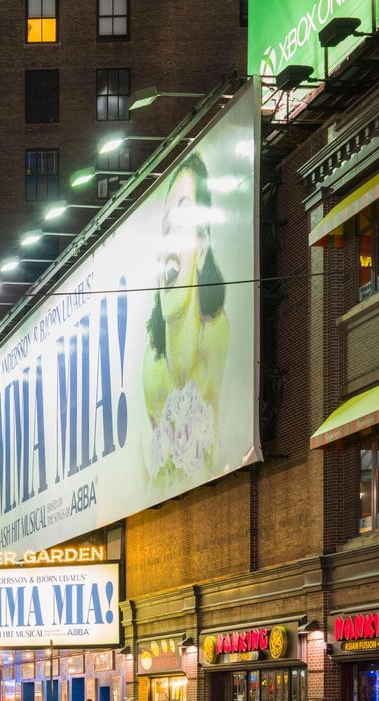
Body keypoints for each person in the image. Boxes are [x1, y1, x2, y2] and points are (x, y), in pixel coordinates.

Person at [142, 151, 232, 484]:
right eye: (166, 230)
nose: (168, 244)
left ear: (203, 247)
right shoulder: (149, 375)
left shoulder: (221, 340)